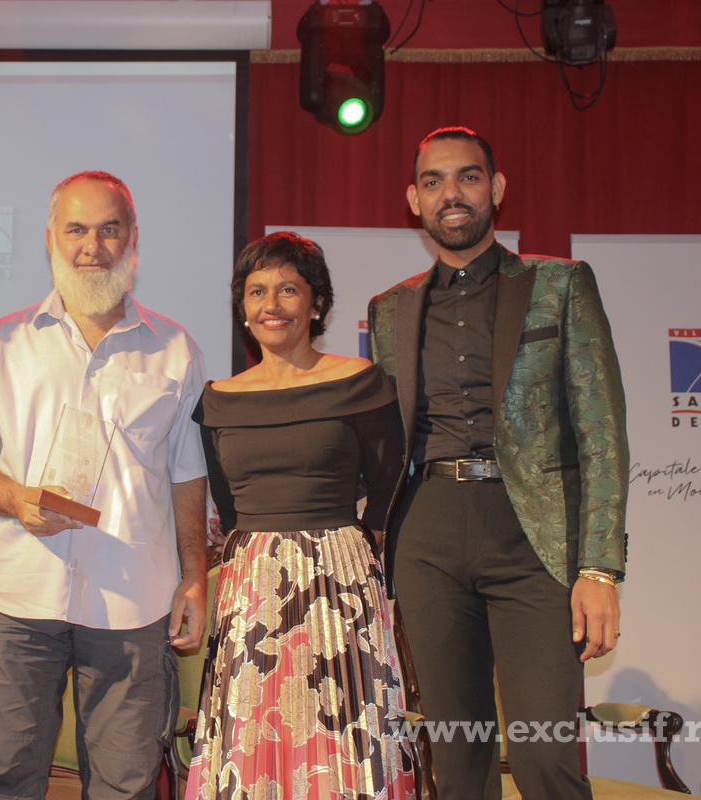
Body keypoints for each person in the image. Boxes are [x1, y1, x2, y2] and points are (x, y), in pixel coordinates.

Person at [367, 127, 628, 800]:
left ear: (497, 188)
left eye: (468, 176)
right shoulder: (389, 309)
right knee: (457, 762)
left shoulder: (560, 285)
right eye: (433, 182)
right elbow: (383, 442)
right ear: (413, 200)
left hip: (533, 538)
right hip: (428, 535)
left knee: (544, 758)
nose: (450, 193)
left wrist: (599, 568)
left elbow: (601, 433)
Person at [0, 170, 208, 800]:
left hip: (133, 603)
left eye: (109, 229)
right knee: (2, 781)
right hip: (16, 599)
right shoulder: (2, 343)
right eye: (76, 230)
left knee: (125, 787)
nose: (93, 246)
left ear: (133, 239)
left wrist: (195, 576)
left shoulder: (176, 350)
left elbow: (188, 475)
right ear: (50, 239)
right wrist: (15, 500)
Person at [185, 231, 416, 800]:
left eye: (288, 289)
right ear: (243, 309)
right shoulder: (218, 400)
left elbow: (388, 490)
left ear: (317, 303)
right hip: (251, 587)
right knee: (255, 734)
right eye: (257, 291)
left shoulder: (361, 383)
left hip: (340, 584)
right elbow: (229, 507)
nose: (272, 304)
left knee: (342, 733)